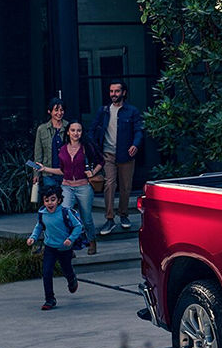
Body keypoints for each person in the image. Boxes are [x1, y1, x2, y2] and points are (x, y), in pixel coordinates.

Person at [88, 80, 143, 235]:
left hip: (126, 154)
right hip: (107, 154)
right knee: (109, 184)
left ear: (123, 93)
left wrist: (135, 144)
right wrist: (94, 149)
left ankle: (124, 215)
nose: (113, 94)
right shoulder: (103, 111)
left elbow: (139, 130)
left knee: (126, 187)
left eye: (117, 91)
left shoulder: (132, 111)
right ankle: (110, 218)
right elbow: (92, 130)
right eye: (111, 91)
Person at [37, 122, 100, 255]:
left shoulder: (86, 147)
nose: (76, 133)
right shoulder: (63, 149)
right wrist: (45, 169)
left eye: (79, 130)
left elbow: (101, 161)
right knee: (64, 216)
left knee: (86, 218)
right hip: (67, 186)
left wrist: (93, 172)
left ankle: (92, 241)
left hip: (83, 186)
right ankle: (68, 246)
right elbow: (62, 170)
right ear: (68, 132)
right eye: (73, 130)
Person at [27, 185, 83, 311]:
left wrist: (70, 239)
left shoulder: (65, 212)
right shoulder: (42, 214)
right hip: (50, 247)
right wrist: (33, 238)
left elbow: (78, 226)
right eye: (46, 200)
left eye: (52, 199)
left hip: (64, 248)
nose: (49, 203)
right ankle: (50, 299)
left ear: (58, 200)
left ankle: (72, 279)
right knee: (46, 273)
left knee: (66, 269)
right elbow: (39, 227)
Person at [34, 98, 69, 190]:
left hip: (66, 173)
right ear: (49, 111)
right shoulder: (42, 129)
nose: (59, 113)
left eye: (61, 110)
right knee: (51, 199)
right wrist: (36, 174)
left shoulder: (69, 127)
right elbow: (38, 154)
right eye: (56, 110)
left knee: (66, 201)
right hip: (48, 173)